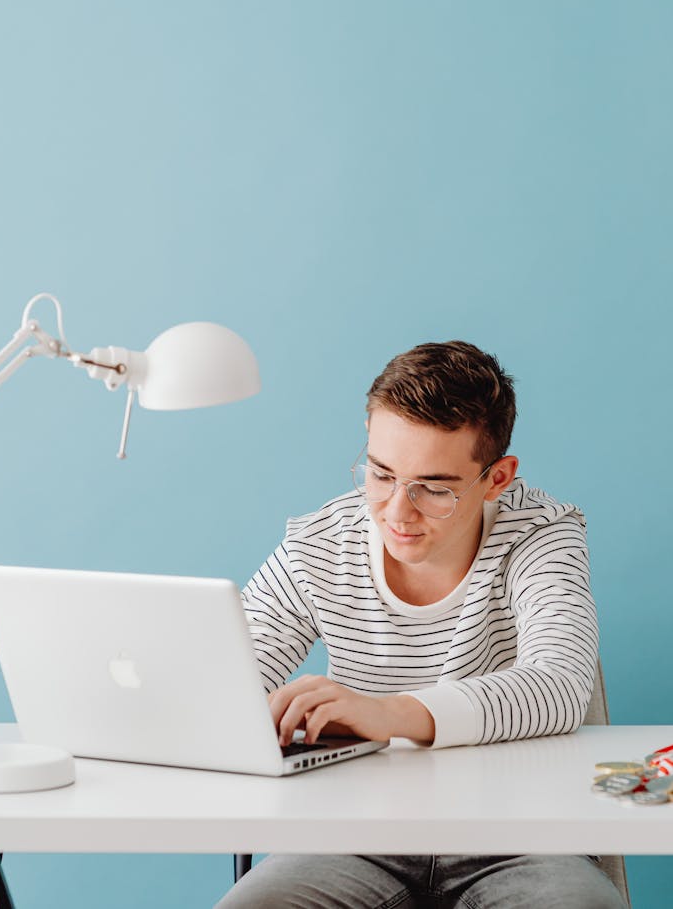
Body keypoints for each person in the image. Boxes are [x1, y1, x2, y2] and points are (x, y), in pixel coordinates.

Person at [215, 341, 625, 908]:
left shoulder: (541, 533)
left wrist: (390, 714)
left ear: (497, 478)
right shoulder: (319, 543)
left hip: (521, 835)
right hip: (353, 837)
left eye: (434, 489)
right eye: (381, 474)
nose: (396, 512)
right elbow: (229, 682)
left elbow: (558, 685)